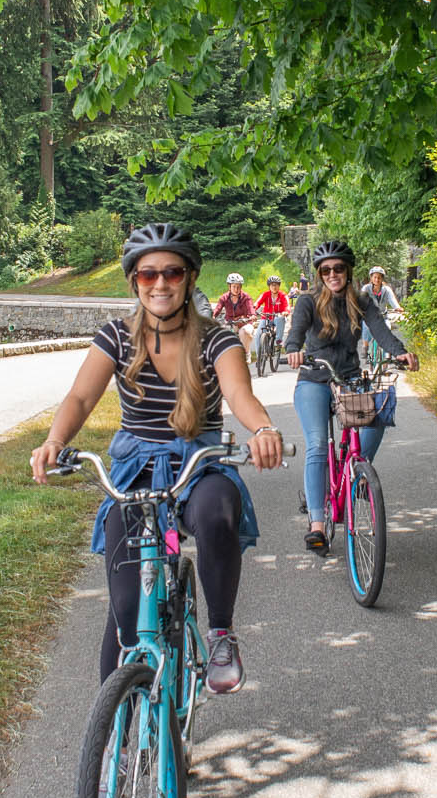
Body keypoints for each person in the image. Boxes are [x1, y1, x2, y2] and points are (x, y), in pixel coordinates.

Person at [31, 223, 285, 692]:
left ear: (189, 278)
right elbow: (81, 398)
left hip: (199, 460)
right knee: (125, 612)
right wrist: (54, 440)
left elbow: (238, 393)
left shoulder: (216, 340)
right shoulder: (116, 337)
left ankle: (221, 634)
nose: (161, 283)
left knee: (214, 513)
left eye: (172, 272)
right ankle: (114, 739)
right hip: (135, 468)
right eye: (148, 275)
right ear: (134, 282)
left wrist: (263, 429)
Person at [285, 239, 417, 554]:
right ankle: (317, 525)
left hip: (350, 379)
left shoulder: (361, 301)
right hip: (314, 379)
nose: (333, 274)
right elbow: (296, 332)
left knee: (378, 416)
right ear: (320, 273)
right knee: (318, 445)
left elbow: (381, 331)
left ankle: (356, 471)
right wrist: (293, 351)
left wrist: (400, 353)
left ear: (348, 271)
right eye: (326, 269)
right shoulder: (308, 302)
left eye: (339, 268)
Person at [212, 272, 259, 361]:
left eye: (238, 286)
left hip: (245, 322)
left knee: (245, 332)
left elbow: (250, 307)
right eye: (234, 286)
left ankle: (246, 353)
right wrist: (213, 316)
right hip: (231, 323)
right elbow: (217, 308)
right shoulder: (224, 298)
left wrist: (252, 315)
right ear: (229, 286)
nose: (236, 289)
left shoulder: (246, 297)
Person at [255, 273, 290, 354]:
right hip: (266, 317)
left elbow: (287, 305)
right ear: (269, 286)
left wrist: (285, 312)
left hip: (278, 317)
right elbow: (257, 303)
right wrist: (253, 310)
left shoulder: (283, 295)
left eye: (276, 285)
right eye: (272, 285)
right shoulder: (265, 294)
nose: (274, 287)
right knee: (258, 335)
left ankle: (278, 342)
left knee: (280, 318)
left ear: (279, 286)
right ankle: (259, 356)